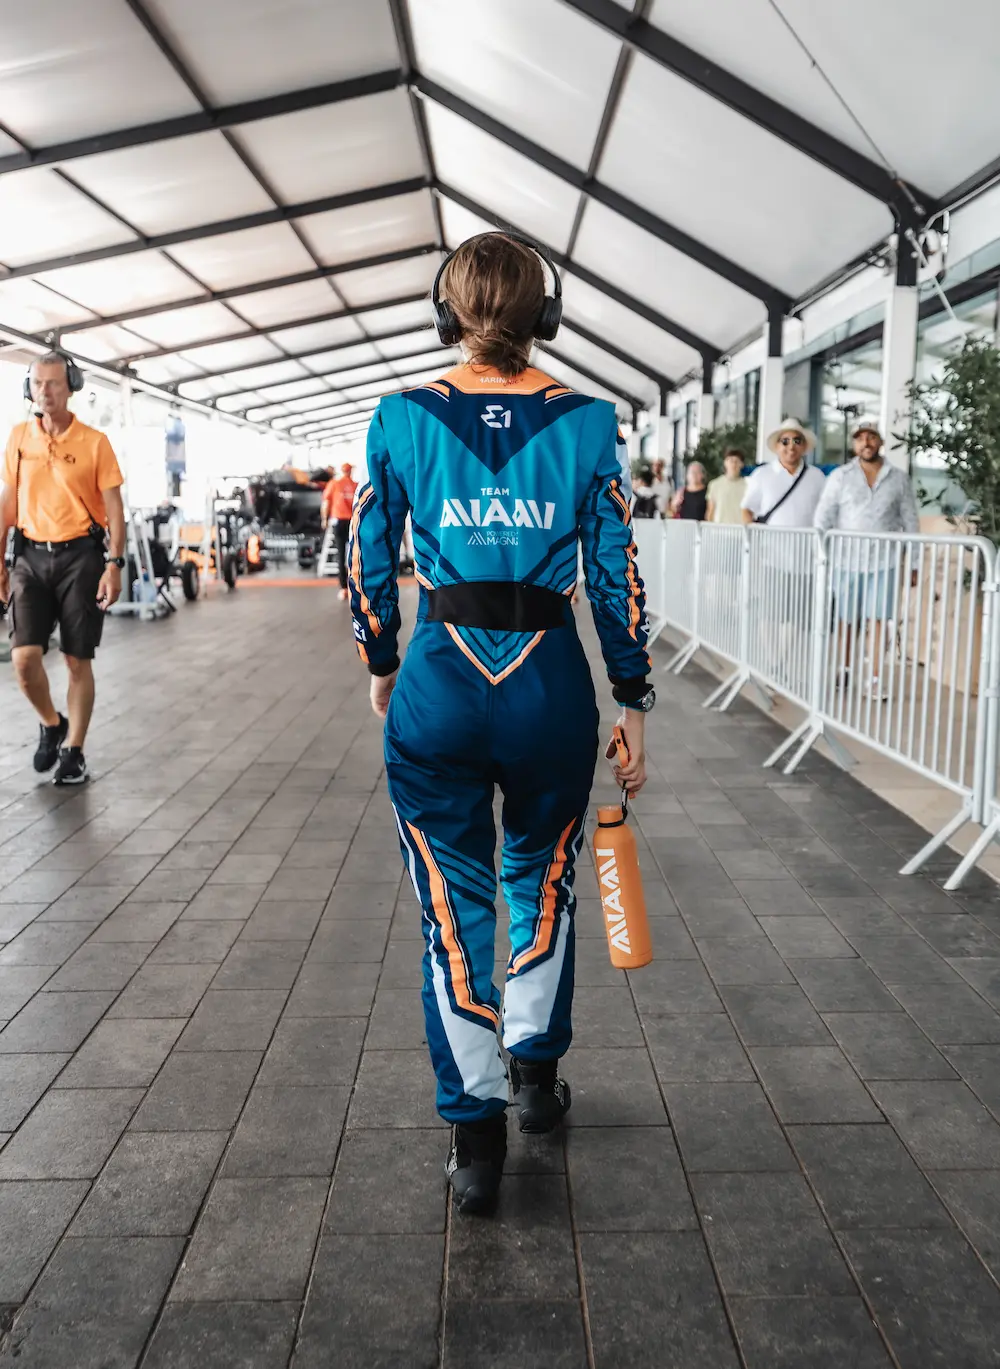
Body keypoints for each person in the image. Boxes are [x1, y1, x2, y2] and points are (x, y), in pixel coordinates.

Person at [349, 232, 652, 1215]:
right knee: (544, 877)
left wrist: (383, 661)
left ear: (448, 314)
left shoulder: (398, 415)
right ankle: (533, 1075)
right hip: (547, 680)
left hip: (439, 675)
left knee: (451, 904)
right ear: (544, 316)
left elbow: (365, 557)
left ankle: (472, 1133)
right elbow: (612, 574)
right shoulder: (590, 421)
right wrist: (633, 695)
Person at [0, 353, 125, 785]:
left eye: (54, 383)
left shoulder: (95, 442)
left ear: (70, 386)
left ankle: (74, 749)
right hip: (30, 558)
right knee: (24, 658)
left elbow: (115, 510)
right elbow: (7, 504)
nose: (45, 391)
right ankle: (51, 722)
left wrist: (115, 565)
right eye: (38, 384)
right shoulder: (18, 439)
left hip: (81, 558)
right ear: (29, 388)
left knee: (76, 659)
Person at [814, 421, 920, 695]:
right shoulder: (840, 476)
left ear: (880, 442)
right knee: (847, 619)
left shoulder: (898, 478)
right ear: (854, 444)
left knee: (878, 619)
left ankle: (873, 678)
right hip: (845, 559)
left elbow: (910, 521)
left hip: (885, 560)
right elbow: (823, 516)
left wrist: (915, 563)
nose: (866, 442)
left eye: (871, 437)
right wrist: (821, 555)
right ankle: (845, 668)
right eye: (860, 438)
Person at [741, 420, 825, 527]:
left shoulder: (817, 476)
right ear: (777, 446)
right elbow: (747, 508)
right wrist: (752, 538)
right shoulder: (761, 475)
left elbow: (826, 511)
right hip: (770, 542)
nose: (791, 447)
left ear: (804, 446)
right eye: (785, 441)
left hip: (806, 543)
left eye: (797, 441)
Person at [320, 461, 357, 600]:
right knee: (355, 555)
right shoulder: (355, 486)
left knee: (341, 555)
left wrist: (324, 519)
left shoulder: (334, 484)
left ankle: (343, 589)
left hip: (339, 521)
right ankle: (356, 587)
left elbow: (326, 503)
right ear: (350, 471)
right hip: (352, 522)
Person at [706, 449, 748, 524]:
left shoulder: (748, 485)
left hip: (741, 531)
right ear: (725, 463)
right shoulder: (715, 484)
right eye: (731, 461)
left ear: (742, 464)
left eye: (737, 461)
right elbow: (710, 510)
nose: (734, 464)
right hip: (719, 530)